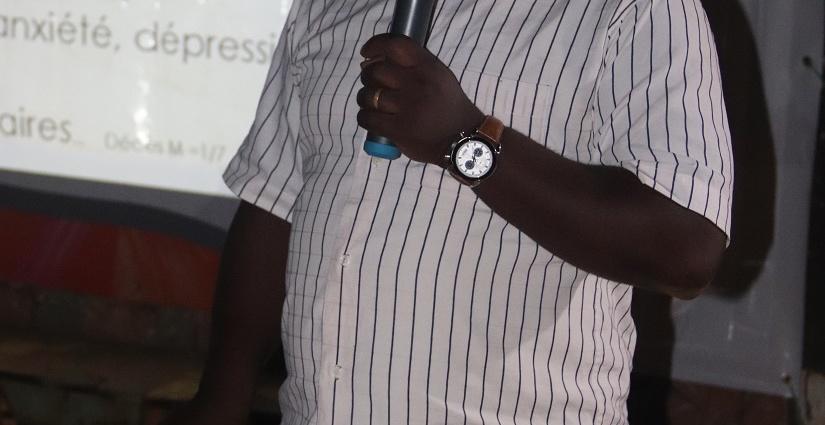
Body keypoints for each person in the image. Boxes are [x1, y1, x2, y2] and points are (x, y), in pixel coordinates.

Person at [165, 0, 732, 423]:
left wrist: (463, 141)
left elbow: (686, 249)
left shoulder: (637, 10)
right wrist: (221, 398)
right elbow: (274, 202)